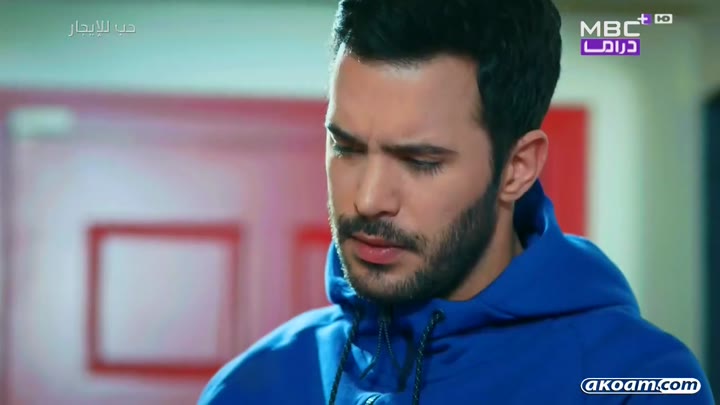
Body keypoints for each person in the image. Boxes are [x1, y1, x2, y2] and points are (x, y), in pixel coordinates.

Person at [198, 0, 714, 403]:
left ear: (517, 168)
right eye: (347, 148)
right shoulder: (251, 387)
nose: (370, 199)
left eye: (421, 161)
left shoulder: (639, 381)